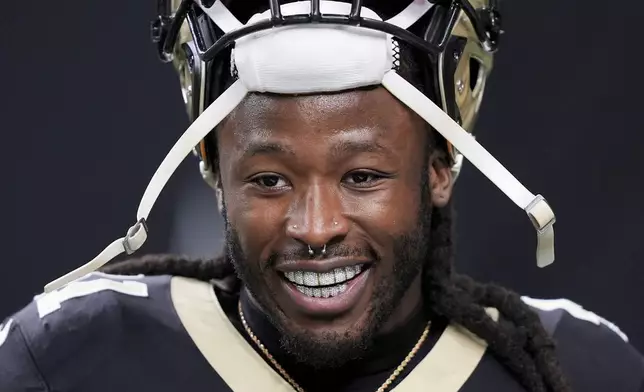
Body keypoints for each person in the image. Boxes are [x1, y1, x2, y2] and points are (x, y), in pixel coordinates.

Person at [1, 1, 642, 391]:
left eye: (362, 176)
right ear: (213, 168)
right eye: (269, 179)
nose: (315, 227)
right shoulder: (68, 356)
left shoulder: (574, 367)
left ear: (441, 167)